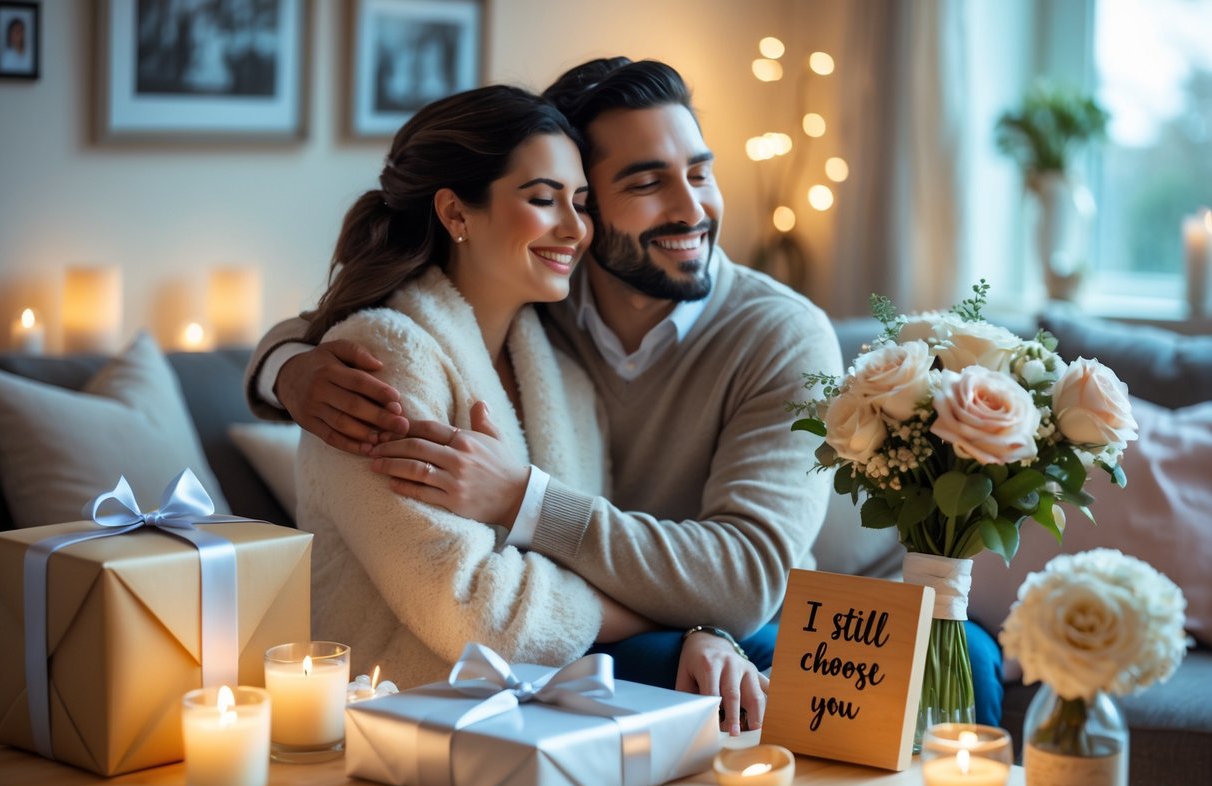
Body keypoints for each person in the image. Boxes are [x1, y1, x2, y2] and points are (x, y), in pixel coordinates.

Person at [248, 59, 1002, 726]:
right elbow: (386, 321)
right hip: (625, 632)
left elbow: (745, 580)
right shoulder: (547, 309)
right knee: (662, 668)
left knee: (957, 653)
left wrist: (524, 499)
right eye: (644, 183)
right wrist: (287, 364)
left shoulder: (778, 334)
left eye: (699, 173)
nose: (690, 209)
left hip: (753, 610)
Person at [276, 83, 766, 730]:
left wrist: (703, 626)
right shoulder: (385, 360)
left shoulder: (564, 374)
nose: (574, 228)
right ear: (455, 213)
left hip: (538, 714)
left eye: (582, 203)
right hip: (398, 723)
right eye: (542, 200)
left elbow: (582, 560)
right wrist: (675, 614)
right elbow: (485, 618)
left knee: (768, 657)